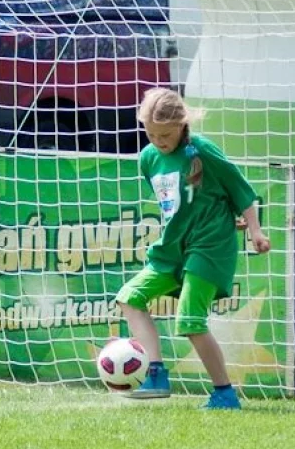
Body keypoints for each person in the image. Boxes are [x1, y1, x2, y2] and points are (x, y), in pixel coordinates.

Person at [115, 87, 271, 410]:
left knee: (189, 321)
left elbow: (240, 190)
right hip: (173, 248)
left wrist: (254, 229)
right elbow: (177, 204)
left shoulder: (201, 151)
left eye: (165, 134)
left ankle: (224, 394)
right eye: (151, 133)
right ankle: (156, 374)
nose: (158, 140)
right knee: (130, 297)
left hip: (209, 246)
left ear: (182, 124)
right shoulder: (147, 159)